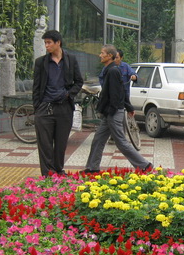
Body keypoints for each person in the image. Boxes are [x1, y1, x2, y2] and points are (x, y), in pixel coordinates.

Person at [84, 45, 152, 173]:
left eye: (102, 53)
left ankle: (145, 165)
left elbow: (117, 94)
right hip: (109, 112)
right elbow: (121, 90)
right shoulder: (109, 70)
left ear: (109, 56)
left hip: (113, 112)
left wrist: (113, 110)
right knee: (98, 140)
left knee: (121, 142)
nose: (100, 55)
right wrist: (128, 106)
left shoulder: (113, 71)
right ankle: (92, 168)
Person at [32, 30, 83, 176]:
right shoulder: (41, 62)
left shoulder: (71, 59)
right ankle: (48, 174)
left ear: (58, 43)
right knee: (45, 145)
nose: (46, 46)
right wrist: (37, 108)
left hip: (64, 107)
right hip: (45, 108)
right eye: (45, 43)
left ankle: (58, 171)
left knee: (60, 144)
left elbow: (79, 82)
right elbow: (36, 87)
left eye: (49, 43)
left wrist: (68, 94)